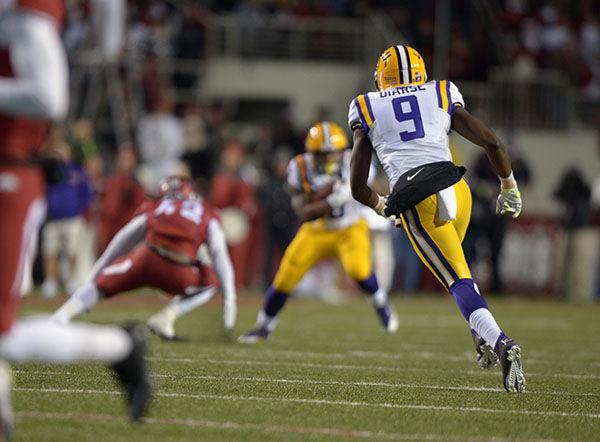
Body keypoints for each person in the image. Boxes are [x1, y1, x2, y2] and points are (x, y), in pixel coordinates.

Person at [0, 0, 150, 435]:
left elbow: (50, 97)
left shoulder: (27, 19)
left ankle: (121, 347)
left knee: (3, 333)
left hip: (10, 175)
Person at [348, 45, 525, 393]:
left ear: (381, 78)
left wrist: (381, 204)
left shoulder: (366, 104)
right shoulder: (441, 90)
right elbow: (491, 141)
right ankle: (480, 334)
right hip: (458, 189)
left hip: (418, 197)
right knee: (459, 270)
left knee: (457, 280)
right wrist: (509, 185)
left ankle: (502, 343)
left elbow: (357, 184)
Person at [238, 121, 398, 343]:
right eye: (321, 154)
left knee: (359, 270)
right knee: (285, 277)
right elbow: (302, 211)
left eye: (331, 153)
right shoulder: (300, 167)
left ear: (342, 152)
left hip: (349, 227)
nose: (327, 159)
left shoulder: (356, 161)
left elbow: (374, 191)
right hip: (316, 229)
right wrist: (332, 201)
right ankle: (264, 326)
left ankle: (380, 301)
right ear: (311, 153)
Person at [51, 176, 237, 341]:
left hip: (146, 261)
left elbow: (120, 243)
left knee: (100, 285)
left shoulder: (157, 206)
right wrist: (230, 299)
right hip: (180, 273)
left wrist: (95, 278)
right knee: (211, 281)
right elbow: (220, 256)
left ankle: (61, 316)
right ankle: (168, 316)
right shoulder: (206, 212)